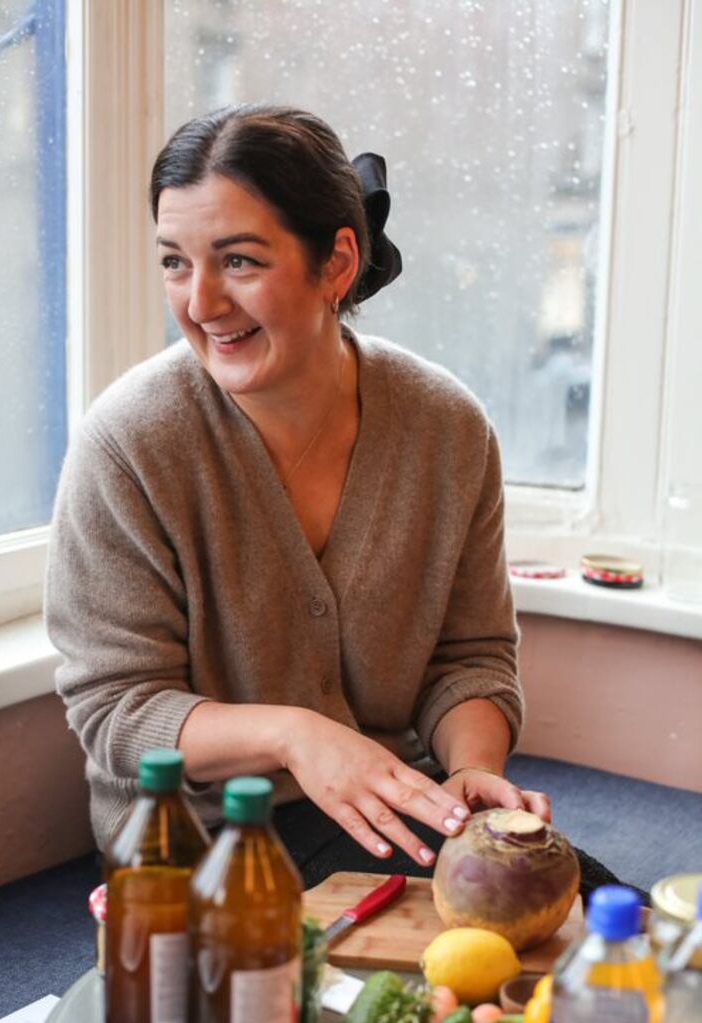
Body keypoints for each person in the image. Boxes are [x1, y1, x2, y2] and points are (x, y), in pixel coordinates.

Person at [45, 103, 551, 887]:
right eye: (174, 262)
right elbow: (117, 713)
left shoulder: (448, 428)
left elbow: (470, 657)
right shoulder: (130, 443)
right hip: (201, 839)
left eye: (239, 261)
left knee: (605, 941)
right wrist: (295, 736)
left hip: (393, 804)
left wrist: (471, 773)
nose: (201, 302)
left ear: (339, 263)